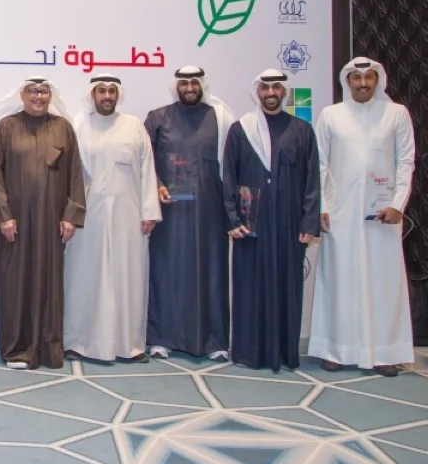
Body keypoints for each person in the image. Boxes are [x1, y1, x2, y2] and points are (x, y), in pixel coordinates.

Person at [310, 57, 415, 377]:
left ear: (378, 80)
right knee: (339, 281)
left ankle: (386, 353)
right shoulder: (331, 115)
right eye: (356, 78)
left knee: (384, 284)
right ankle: (335, 349)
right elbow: (320, 165)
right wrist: (322, 206)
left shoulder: (396, 114)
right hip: (340, 214)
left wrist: (398, 204)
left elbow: (406, 161)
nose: (363, 84)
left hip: (383, 215)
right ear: (347, 82)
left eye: (369, 77)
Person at [222, 69, 320, 372]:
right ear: (258, 92)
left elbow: (312, 181)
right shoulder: (241, 130)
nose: (271, 93)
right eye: (265, 88)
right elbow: (229, 177)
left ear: (285, 92)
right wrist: (232, 219)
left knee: (286, 288)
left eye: (277, 87)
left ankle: (285, 353)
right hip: (250, 227)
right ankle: (249, 353)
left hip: (290, 227)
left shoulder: (302, 131)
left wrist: (309, 223)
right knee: (249, 288)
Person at [0, 77, 84, 370]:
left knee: (50, 283)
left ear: (50, 95)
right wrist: (3, 215)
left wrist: (71, 215)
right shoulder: (7, 127)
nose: (38, 97)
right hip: (14, 222)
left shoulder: (63, 128)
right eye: (33, 91)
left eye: (43, 92)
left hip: (52, 221)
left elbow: (76, 174)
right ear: (22, 95)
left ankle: (48, 349)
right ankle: (16, 349)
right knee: (15, 282)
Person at [63, 74, 160, 364]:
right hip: (87, 216)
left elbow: (147, 169)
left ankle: (130, 344)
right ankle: (78, 343)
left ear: (118, 94)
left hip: (128, 216)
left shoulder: (133, 126)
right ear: (92, 94)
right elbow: (69, 175)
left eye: (111, 91)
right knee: (83, 277)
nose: (107, 96)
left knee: (128, 277)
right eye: (101, 91)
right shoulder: (78, 126)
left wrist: (149, 211)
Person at [144, 66, 235, 361]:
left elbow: (232, 166)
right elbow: (144, 161)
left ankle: (215, 340)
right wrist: (156, 186)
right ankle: (161, 338)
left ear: (202, 85)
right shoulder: (158, 118)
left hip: (211, 212)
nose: (190, 87)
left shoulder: (221, 118)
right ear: (176, 86)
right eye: (184, 82)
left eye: (194, 82)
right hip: (170, 214)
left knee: (212, 272)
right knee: (167, 273)